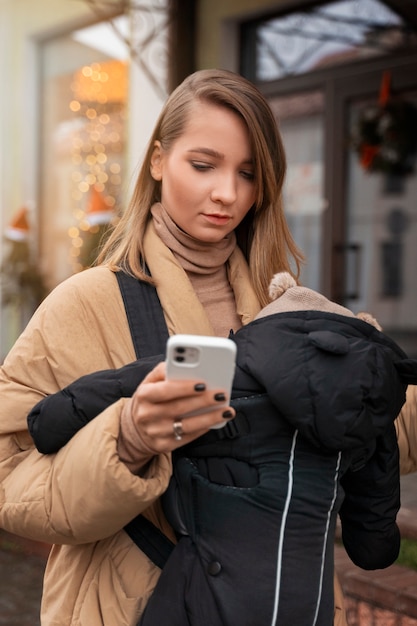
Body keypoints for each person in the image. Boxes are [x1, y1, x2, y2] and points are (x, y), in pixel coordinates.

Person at [0, 67, 414, 626]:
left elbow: (385, 439)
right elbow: (12, 478)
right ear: (156, 160)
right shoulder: (84, 305)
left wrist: (374, 379)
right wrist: (125, 438)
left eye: (248, 173)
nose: (227, 193)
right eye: (203, 165)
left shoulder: (291, 306)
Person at [26, 271, 415, 625]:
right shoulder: (369, 412)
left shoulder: (218, 366)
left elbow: (120, 385)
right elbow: (374, 543)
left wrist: (48, 420)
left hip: (203, 590)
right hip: (304, 604)